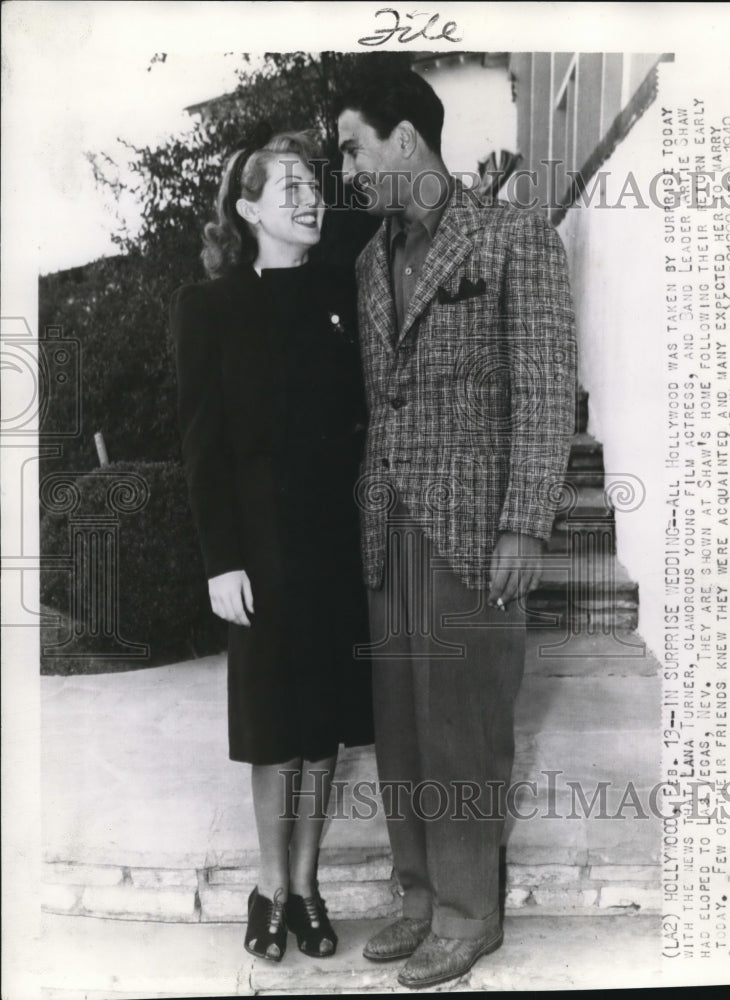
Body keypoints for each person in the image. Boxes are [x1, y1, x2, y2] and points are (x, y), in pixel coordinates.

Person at [335, 72, 577, 989]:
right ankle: (417, 895)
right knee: (398, 722)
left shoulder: (513, 235)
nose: (348, 169)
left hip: (475, 528)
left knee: (463, 723)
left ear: (406, 139)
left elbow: (547, 388)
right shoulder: (367, 263)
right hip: (386, 517)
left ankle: (473, 912)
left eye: (355, 147)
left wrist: (525, 524)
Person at [170, 130, 372, 964]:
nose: (308, 196)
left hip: (333, 541)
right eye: (286, 186)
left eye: (312, 183)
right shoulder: (207, 306)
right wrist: (221, 560)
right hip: (256, 550)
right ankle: (268, 884)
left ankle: (308, 885)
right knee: (273, 727)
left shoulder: (343, 291)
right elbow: (202, 445)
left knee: (322, 728)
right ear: (247, 209)